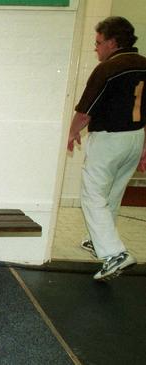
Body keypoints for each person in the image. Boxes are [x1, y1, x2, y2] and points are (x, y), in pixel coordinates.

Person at [67, 16, 146, 281]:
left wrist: (71, 132)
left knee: (92, 194)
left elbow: (85, 110)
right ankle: (95, 240)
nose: (96, 48)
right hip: (135, 137)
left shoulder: (108, 68)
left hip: (109, 140)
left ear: (112, 42)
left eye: (99, 43)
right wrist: (144, 146)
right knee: (112, 194)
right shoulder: (144, 65)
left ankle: (115, 254)